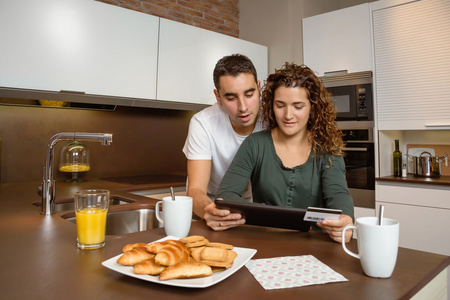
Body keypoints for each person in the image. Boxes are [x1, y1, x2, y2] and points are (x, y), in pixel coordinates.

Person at [216, 62, 354, 243]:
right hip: (264, 242)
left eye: (298, 106)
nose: (288, 115)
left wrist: (345, 220)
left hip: (316, 246)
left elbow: (338, 195)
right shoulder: (255, 144)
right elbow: (226, 194)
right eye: (280, 105)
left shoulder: (327, 149)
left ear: (313, 107)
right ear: (272, 106)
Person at [182, 54, 263, 230]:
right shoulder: (203, 123)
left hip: (255, 212)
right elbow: (195, 190)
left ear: (259, 88)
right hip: (211, 211)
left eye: (249, 94)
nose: (243, 107)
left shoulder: (273, 120)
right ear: (218, 97)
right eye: (231, 98)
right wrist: (209, 211)